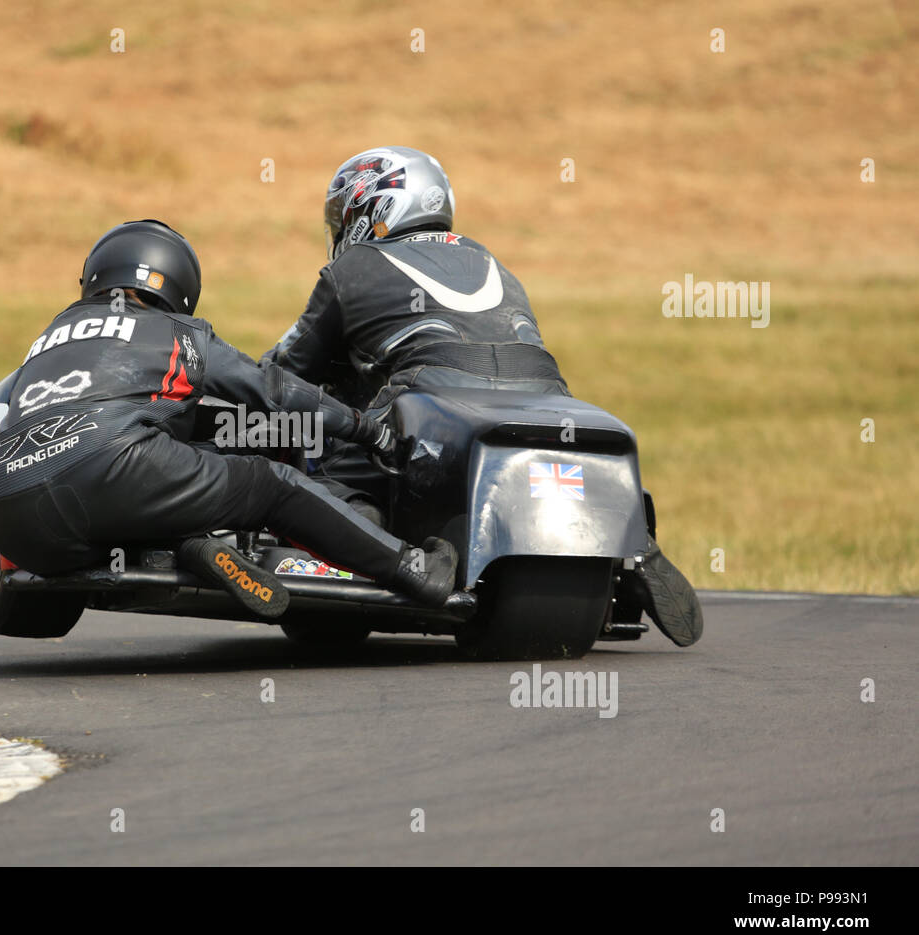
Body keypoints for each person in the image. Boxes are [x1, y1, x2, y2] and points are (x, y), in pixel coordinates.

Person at [262, 147, 703, 645]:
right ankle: (629, 534)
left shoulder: (356, 268)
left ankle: (351, 517)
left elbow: (284, 368)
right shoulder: (489, 259)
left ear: (372, 207)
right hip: (544, 393)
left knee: (322, 431)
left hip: (433, 389)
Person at [0, 219, 458, 618]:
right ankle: (412, 568)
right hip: (112, 470)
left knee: (156, 482)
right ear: (180, 287)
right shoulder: (176, 331)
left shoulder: (47, 339)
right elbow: (272, 390)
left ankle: (190, 546)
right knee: (272, 486)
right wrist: (363, 427)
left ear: (95, 276)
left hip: (10, 519)